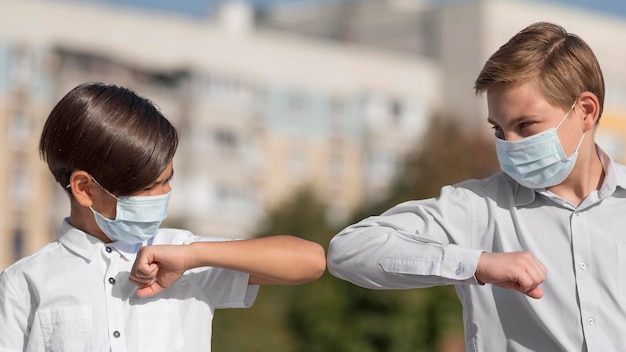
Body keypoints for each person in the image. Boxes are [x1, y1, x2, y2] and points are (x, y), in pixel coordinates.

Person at [327, 21, 625, 351]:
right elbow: (349, 250)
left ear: (586, 110)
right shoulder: (477, 207)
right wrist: (477, 264)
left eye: (525, 126)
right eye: (499, 130)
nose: (509, 145)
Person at [0, 82, 326, 352]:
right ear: (85, 189)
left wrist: (194, 255)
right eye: (146, 187)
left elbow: (310, 260)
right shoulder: (23, 284)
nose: (163, 195)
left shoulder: (183, 255)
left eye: (167, 180)